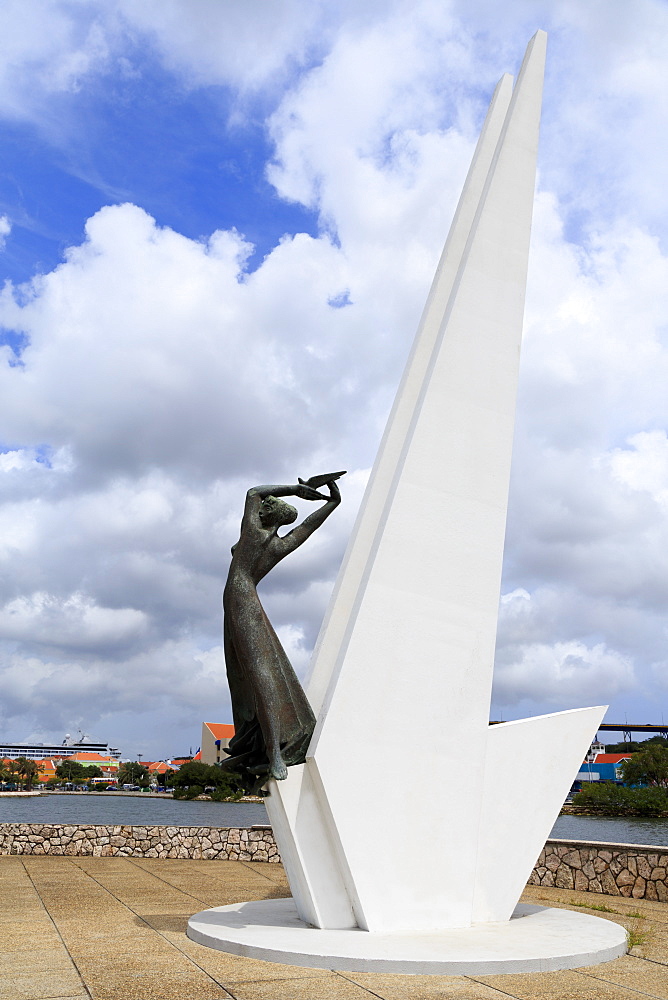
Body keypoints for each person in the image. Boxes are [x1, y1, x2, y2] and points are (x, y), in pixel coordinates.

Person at [221, 472, 345, 794]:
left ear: (267, 514)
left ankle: (274, 752)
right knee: (258, 677)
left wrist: (297, 490)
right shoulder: (276, 543)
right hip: (243, 605)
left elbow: (253, 492)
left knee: (263, 678)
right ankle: (269, 749)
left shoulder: (254, 535)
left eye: (263, 510)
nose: (258, 510)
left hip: (243, 604)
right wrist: (331, 504)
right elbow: (305, 528)